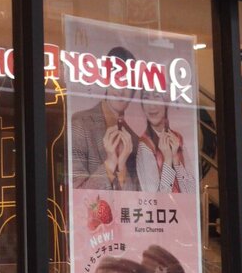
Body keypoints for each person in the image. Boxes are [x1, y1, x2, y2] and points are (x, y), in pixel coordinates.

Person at [70, 46, 139, 190]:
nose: (121, 91)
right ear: (105, 81)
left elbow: (137, 199)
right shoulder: (80, 124)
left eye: (127, 84)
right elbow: (77, 195)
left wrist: (122, 169)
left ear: (133, 91)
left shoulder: (134, 140)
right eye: (116, 80)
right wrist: (110, 164)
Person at [135, 88, 195, 193]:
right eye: (146, 98)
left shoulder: (177, 138)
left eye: (157, 96)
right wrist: (167, 159)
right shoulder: (144, 145)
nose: (151, 105)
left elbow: (192, 192)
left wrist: (176, 159)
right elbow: (155, 199)